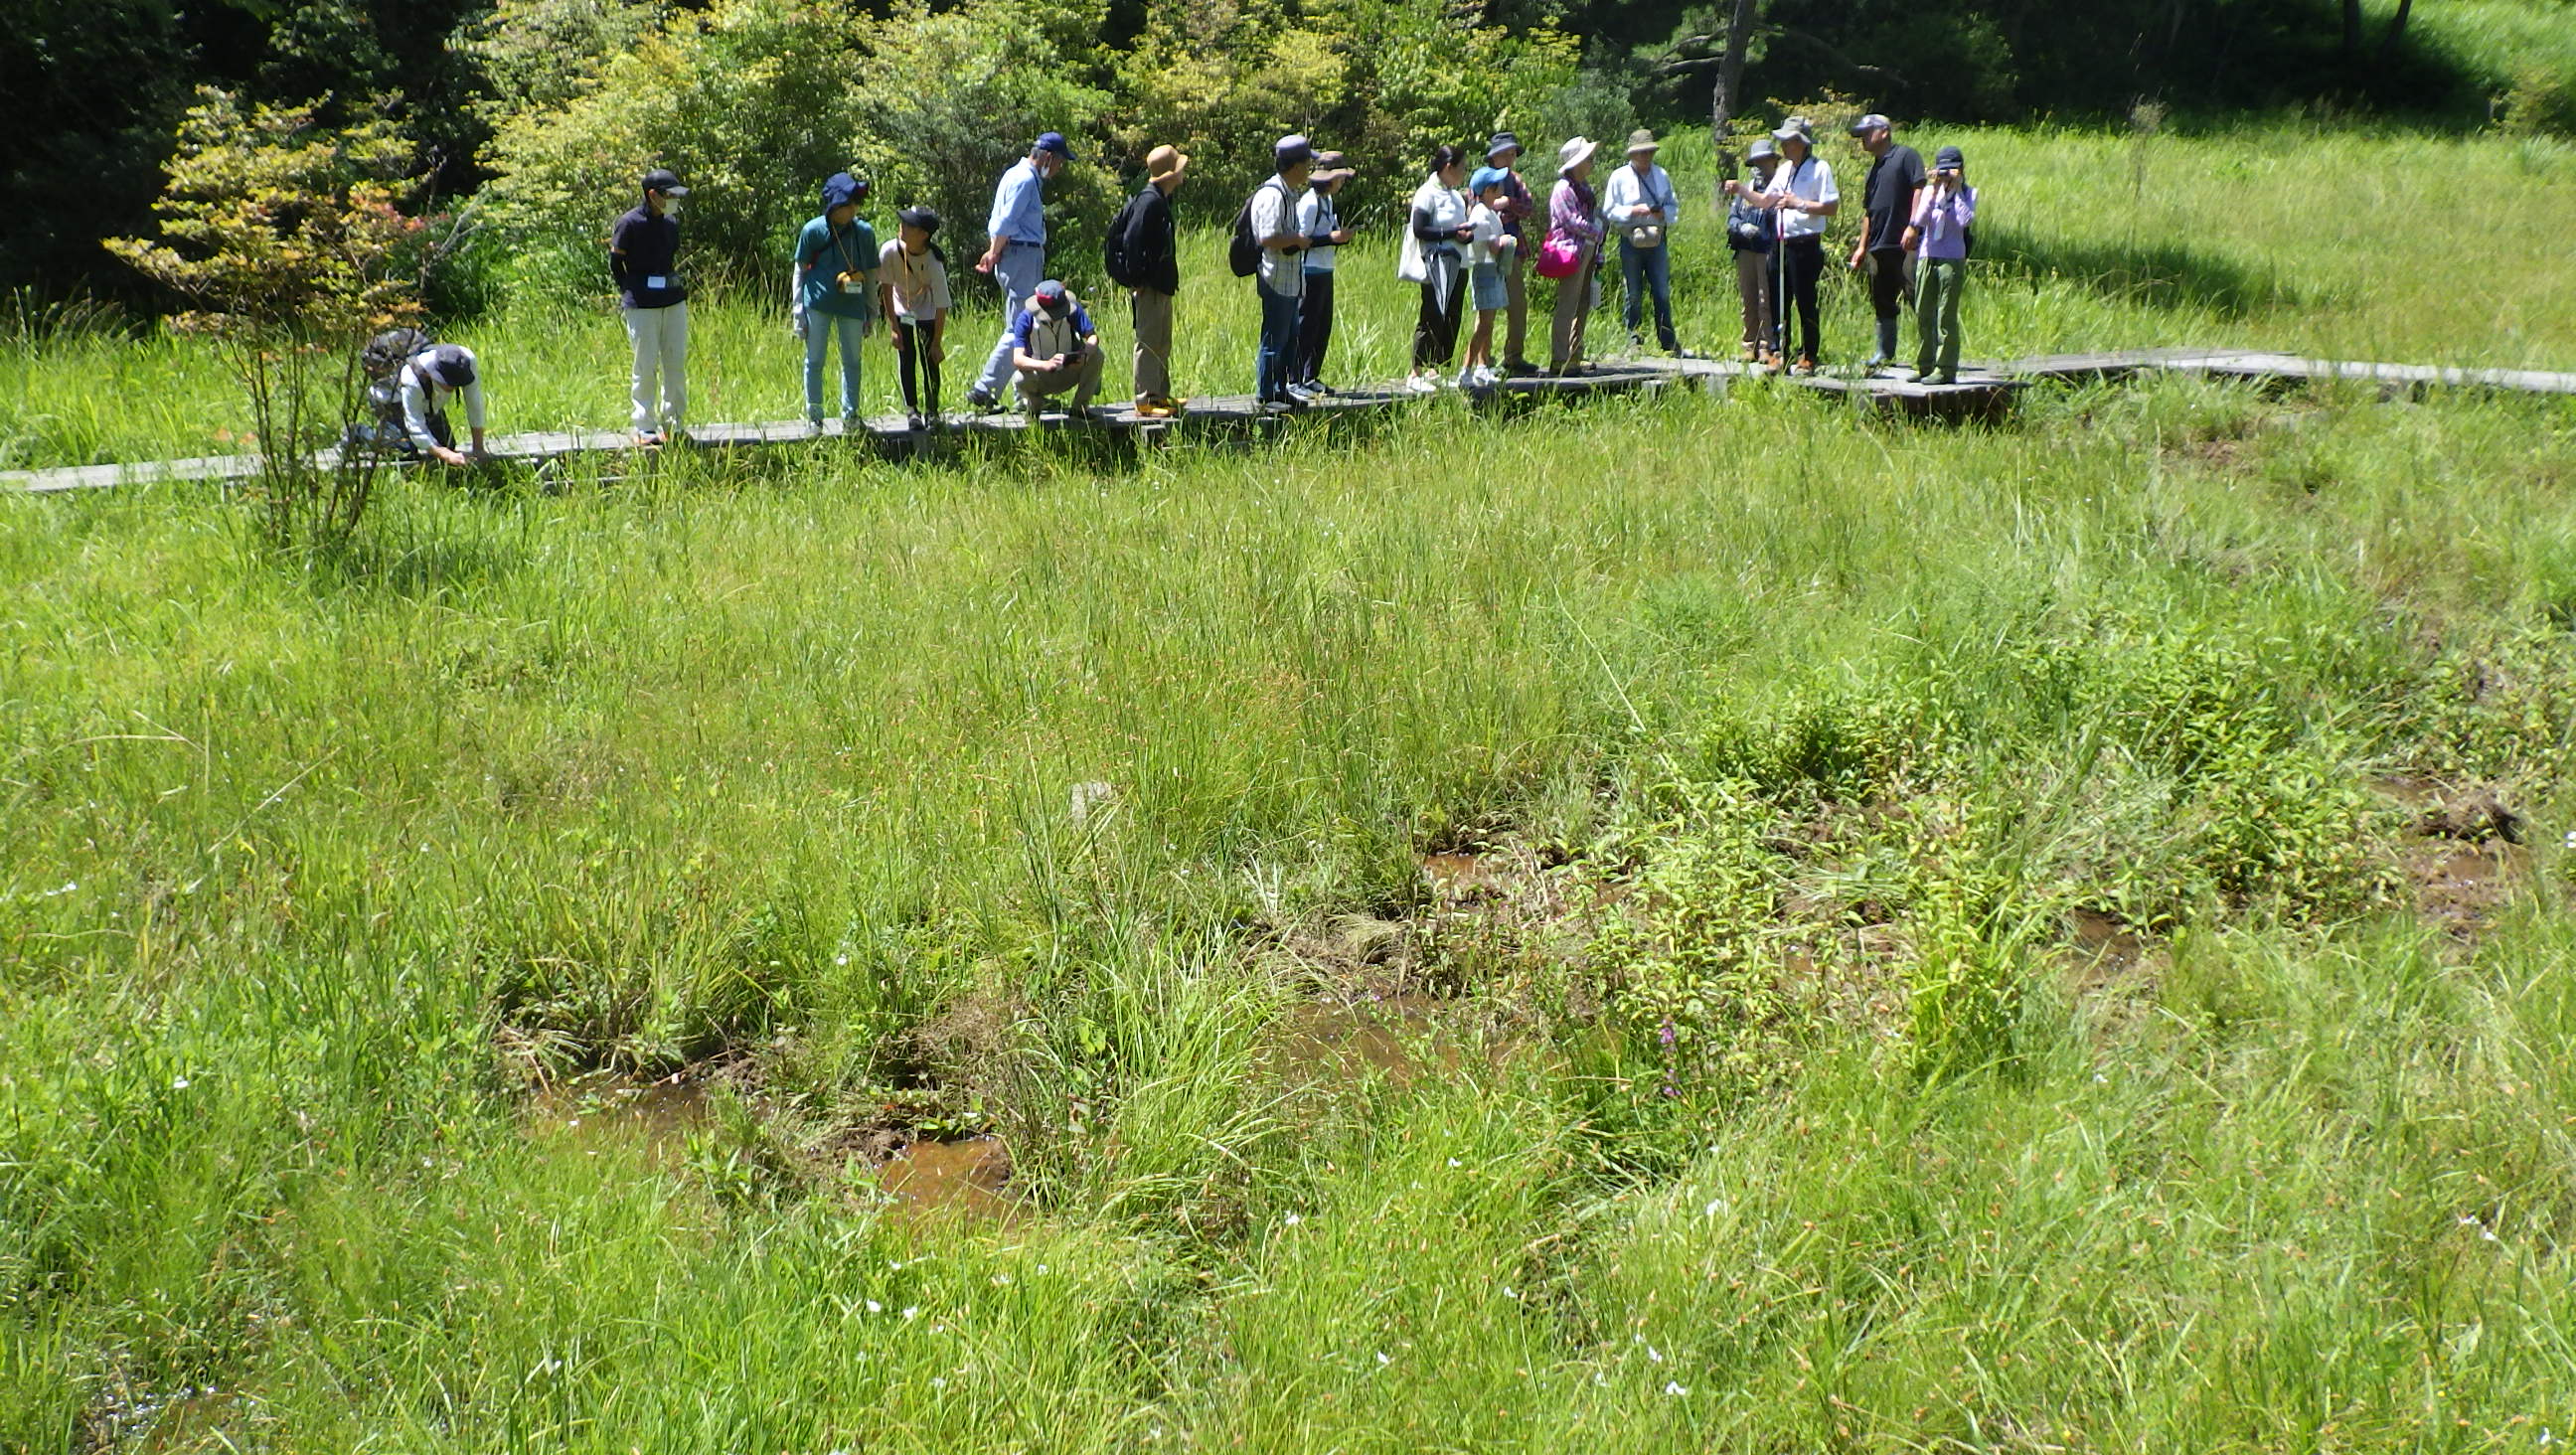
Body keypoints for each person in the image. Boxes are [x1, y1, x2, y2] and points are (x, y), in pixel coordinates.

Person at [966, 131, 1073, 412]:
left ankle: (1024, 395)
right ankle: (984, 388)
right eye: (1060, 162)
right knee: (1019, 328)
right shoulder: (1026, 180)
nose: (1059, 169)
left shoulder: (1013, 174)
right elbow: (1005, 222)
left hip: (1014, 254)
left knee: (1023, 325)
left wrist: (994, 251)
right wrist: (994, 251)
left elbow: (999, 221)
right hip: (1022, 255)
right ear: (1048, 157)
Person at [791, 171, 878, 429]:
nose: (854, 208)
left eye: (855, 202)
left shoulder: (865, 232)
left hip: (852, 306)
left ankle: (850, 416)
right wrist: (798, 312)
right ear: (834, 205)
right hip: (817, 304)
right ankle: (814, 416)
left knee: (852, 360)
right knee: (814, 359)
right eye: (848, 202)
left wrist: (872, 311)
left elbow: (872, 275)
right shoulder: (813, 230)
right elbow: (799, 270)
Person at [609, 167, 689, 444]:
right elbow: (616, 263)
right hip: (641, 305)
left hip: (673, 301)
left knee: (675, 363)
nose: (674, 200)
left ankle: (675, 424)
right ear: (652, 195)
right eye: (669, 195)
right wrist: (631, 291)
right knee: (645, 364)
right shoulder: (628, 223)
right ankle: (644, 425)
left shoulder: (670, 224)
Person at [1755, 119, 1836, 375]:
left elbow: (1830, 207)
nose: (1784, 146)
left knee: (1805, 299)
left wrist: (1799, 203)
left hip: (1805, 242)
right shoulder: (1784, 170)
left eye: (1788, 141)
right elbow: (1767, 200)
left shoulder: (1820, 168)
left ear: (1801, 143)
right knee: (1779, 298)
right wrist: (1740, 191)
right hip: (1781, 241)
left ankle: (1809, 354)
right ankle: (1781, 351)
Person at [1848, 112, 1925, 373]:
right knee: (1882, 299)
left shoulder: (1906, 156)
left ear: (1883, 132)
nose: (1862, 140)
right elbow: (1868, 212)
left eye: (1866, 134)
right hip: (1878, 246)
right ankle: (1885, 353)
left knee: (1918, 296)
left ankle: (1932, 355)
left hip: (1905, 243)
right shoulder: (1874, 169)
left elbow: (1919, 189)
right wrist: (1861, 247)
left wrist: (1914, 225)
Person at [1397, 145, 1473, 394]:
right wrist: (1453, 232)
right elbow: (1419, 229)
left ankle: (1436, 369)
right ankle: (1416, 371)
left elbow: (1457, 228)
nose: (1464, 173)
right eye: (1462, 168)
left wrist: (1465, 235)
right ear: (1448, 168)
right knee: (1431, 315)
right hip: (1434, 263)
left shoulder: (1454, 196)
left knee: (1452, 316)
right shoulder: (1426, 193)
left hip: (1457, 262)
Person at [1119, 144, 1187, 417]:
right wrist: (1138, 279)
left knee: (1162, 341)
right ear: (1169, 174)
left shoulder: (1161, 199)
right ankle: (1145, 401)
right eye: (1179, 168)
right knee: (1147, 342)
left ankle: (1160, 395)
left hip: (1162, 284)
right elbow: (1131, 241)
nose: (1183, 173)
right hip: (1149, 285)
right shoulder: (1148, 201)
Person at [1603, 128, 1683, 356]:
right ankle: (1633, 340)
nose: (1645, 157)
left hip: (1657, 238)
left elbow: (1673, 207)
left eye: (1648, 152)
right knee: (1633, 293)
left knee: (1661, 291)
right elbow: (1609, 210)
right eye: (1641, 153)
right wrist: (1632, 211)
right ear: (1631, 155)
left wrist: (1662, 214)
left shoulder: (1662, 175)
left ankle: (1667, 341)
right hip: (1630, 239)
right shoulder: (1618, 177)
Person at [1249, 135, 1315, 410]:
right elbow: (1267, 237)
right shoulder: (1272, 195)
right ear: (1295, 166)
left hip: (1289, 279)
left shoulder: (1289, 193)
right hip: (1275, 277)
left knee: (1288, 339)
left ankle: (1280, 391)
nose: (1310, 168)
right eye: (1307, 163)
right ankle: (1267, 394)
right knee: (1274, 339)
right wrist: (1296, 241)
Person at [1904, 145, 1977, 386]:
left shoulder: (1968, 193)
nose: (1945, 175)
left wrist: (1955, 191)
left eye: (1950, 171)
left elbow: (1964, 221)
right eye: (1942, 170)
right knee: (1924, 311)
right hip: (1927, 254)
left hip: (1952, 258)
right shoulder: (1929, 191)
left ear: (1960, 170)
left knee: (1945, 314)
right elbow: (1921, 220)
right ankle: (1925, 365)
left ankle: (1945, 368)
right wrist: (1934, 190)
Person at [879, 206, 952, 430]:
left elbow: (941, 305)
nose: (903, 226)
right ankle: (911, 410)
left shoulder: (933, 262)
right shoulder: (890, 251)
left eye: (910, 225)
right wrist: (893, 326)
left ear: (923, 235)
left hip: (928, 312)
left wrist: (937, 343)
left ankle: (932, 410)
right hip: (902, 309)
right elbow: (886, 289)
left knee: (930, 362)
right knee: (906, 359)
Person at [1292, 150, 1357, 396]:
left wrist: (1340, 238)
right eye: (1340, 178)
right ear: (1327, 179)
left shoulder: (1327, 201)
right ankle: (1295, 379)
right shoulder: (1309, 203)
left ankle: (1311, 376)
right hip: (1309, 271)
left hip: (1325, 269)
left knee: (1322, 326)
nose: (1342, 183)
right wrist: (1331, 238)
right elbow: (1302, 240)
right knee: (1306, 326)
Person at [1545, 136, 1605, 376]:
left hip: (1588, 249)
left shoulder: (1585, 189)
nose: (1592, 163)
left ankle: (1574, 356)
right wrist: (1597, 230)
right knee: (1567, 304)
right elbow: (1570, 221)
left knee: (1582, 304)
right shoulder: (1563, 189)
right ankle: (1559, 359)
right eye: (1588, 159)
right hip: (1570, 251)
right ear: (1577, 162)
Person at [1485, 133, 1540, 376]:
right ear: (1493, 156)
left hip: (1512, 250)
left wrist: (1509, 203)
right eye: (1505, 154)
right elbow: (1472, 210)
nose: (1509, 158)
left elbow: (1528, 207)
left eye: (1512, 154)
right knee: (1487, 307)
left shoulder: (1516, 181)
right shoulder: (1482, 180)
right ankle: (1482, 359)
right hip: (1486, 251)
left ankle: (1514, 357)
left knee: (1517, 305)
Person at [1725, 137, 1782, 365]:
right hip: (1745, 250)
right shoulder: (1745, 190)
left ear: (1773, 161)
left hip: (1768, 250)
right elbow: (1732, 217)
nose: (1760, 167)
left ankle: (1767, 346)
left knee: (1765, 299)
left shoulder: (1778, 188)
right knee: (1748, 298)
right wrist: (1741, 227)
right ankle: (1749, 344)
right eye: (1756, 162)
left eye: (1764, 161)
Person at [1007, 278, 1102, 415]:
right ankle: (1034, 407)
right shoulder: (1025, 319)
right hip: (1040, 377)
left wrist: (1084, 355)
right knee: (1019, 378)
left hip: (1070, 371)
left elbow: (1093, 337)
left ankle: (1080, 408)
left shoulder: (1073, 310)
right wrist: (1045, 365)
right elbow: (1018, 359)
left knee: (1097, 355)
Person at [1460, 167, 1517, 390]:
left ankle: (1482, 367)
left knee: (1488, 323)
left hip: (1492, 270)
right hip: (1485, 270)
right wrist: (1507, 241)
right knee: (1484, 325)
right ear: (1486, 190)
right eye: (1496, 187)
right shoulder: (1481, 214)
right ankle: (1466, 370)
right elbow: (1493, 247)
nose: (1500, 189)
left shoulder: (1489, 211)